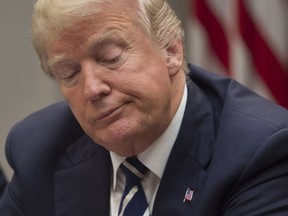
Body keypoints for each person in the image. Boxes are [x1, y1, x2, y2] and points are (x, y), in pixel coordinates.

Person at [1, 0, 288, 215]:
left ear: (171, 51)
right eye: (69, 73)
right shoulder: (37, 149)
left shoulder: (260, 151)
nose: (91, 88)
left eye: (111, 58)